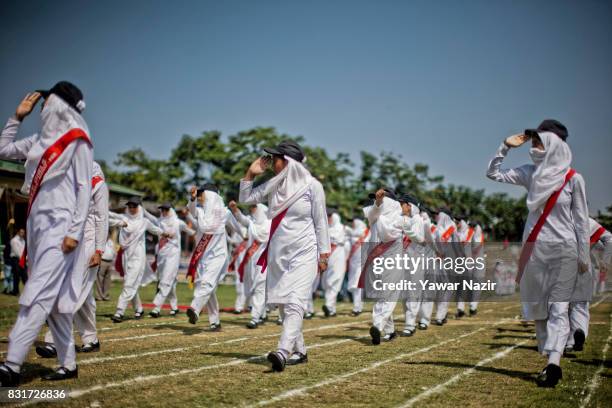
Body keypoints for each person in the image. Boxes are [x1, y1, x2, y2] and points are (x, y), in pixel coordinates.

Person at [0, 82, 93, 385]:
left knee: (37, 292)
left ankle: (12, 364)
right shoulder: (39, 141)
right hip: (37, 227)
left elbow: (83, 189)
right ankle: (68, 364)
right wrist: (17, 118)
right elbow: (3, 150)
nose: (42, 107)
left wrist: (75, 232)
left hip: (62, 229)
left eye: (47, 101)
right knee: (52, 301)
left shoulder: (77, 141)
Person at [486, 119, 590, 387]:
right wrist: (504, 147)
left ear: (554, 143)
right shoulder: (530, 172)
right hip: (535, 251)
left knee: (558, 307)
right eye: (532, 140)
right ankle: (549, 352)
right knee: (537, 309)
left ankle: (553, 363)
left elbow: (581, 220)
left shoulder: (573, 179)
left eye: (538, 140)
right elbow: (493, 174)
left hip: (564, 250)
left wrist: (584, 255)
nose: (532, 144)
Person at [239, 140, 330, 371]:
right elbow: (246, 199)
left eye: (276, 158)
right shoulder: (274, 184)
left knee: (296, 302)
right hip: (279, 252)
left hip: (305, 252)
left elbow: (321, 222)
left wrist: (324, 254)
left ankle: (282, 351)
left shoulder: (312, 186)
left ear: (288, 161)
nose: (271, 162)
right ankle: (300, 351)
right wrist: (250, 173)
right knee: (282, 302)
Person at [37, 161, 109, 357]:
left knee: (71, 291)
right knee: (83, 297)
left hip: (90, 240)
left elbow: (103, 219)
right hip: (74, 239)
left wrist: (99, 250)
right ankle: (91, 339)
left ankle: (53, 340)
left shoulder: (98, 185)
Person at [109, 197, 165, 322]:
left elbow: (156, 230)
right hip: (125, 256)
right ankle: (139, 309)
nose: (132, 209)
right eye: (130, 206)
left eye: (134, 206)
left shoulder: (144, 222)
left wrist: (165, 233)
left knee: (129, 284)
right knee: (130, 284)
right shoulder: (124, 218)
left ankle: (119, 312)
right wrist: (98, 211)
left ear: (139, 207)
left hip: (138, 258)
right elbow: (111, 218)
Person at [185, 183, 230, 331]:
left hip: (218, 256)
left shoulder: (224, 213)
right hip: (203, 256)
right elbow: (191, 210)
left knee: (207, 284)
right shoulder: (200, 212)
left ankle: (195, 309)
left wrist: (243, 231)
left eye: (202, 194)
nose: (200, 197)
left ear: (212, 196)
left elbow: (237, 224)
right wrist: (191, 199)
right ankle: (215, 322)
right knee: (205, 287)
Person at [361, 187, 403, 345]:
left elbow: (389, 234)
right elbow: (372, 212)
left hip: (392, 259)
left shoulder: (397, 218)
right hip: (376, 259)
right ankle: (390, 331)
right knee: (382, 295)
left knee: (387, 294)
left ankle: (377, 326)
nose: (376, 201)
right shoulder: (376, 216)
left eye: (381, 198)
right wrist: (378, 203)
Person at [564, 218, 611, 353]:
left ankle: (567, 341)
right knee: (580, 306)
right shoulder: (589, 222)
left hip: (561, 267)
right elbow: (609, 238)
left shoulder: (557, 219)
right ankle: (578, 335)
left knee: (561, 306)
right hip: (583, 267)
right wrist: (605, 261)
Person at [145, 203, 195, 318]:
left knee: (165, 281)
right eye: (162, 209)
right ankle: (174, 307)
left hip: (173, 255)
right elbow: (150, 218)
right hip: (162, 255)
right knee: (168, 281)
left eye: (166, 209)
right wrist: (142, 209)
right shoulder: (159, 221)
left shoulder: (178, 222)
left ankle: (156, 308)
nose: (163, 211)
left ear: (171, 210)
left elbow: (191, 232)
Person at [228, 201, 271, 329]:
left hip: (265, 260)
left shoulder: (270, 223)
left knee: (260, 286)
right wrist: (235, 209)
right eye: (251, 207)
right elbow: (241, 219)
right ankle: (262, 313)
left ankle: (255, 317)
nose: (252, 209)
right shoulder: (252, 223)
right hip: (251, 260)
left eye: (254, 207)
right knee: (253, 286)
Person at [398, 194, 426, 337]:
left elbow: (419, 238)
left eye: (402, 203)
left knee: (413, 293)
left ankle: (410, 325)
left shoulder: (418, 220)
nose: (399, 206)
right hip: (404, 261)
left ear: (409, 205)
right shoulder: (405, 220)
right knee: (405, 294)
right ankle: (411, 322)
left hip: (416, 261)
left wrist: (403, 227)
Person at [321, 209, 347, 317]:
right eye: (328, 216)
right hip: (328, 257)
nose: (329, 218)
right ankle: (331, 309)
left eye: (331, 216)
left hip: (338, 255)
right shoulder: (326, 228)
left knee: (335, 280)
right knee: (327, 282)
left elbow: (335, 239)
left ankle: (328, 304)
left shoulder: (340, 228)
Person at [346, 216, 369, 316]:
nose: (352, 224)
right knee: (355, 286)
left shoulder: (367, 234)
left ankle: (357, 308)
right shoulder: (351, 234)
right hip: (353, 264)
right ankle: (358, 307)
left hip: (362, 263)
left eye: (354, 222)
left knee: (357, 285)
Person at [95, 236, 116, 301]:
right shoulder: (100, 241)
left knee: (107, 280)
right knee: (99, 279)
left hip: (110, 261)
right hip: (103, 261)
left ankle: (105, 295)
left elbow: (113, 251)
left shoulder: (110, 242)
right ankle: (99, 296)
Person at [9, 228, 26, 295]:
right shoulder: (14, 240)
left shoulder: (23, 241)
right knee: (16, 276)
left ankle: (27, 290)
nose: (23, 234)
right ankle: (15, 291)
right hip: (16, 259)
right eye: (21, 232)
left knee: (24, 275)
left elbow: (24, 251)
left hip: (22, 259)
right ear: (18, 232)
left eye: (23, 232)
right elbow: (17, 252)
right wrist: (23, 259)